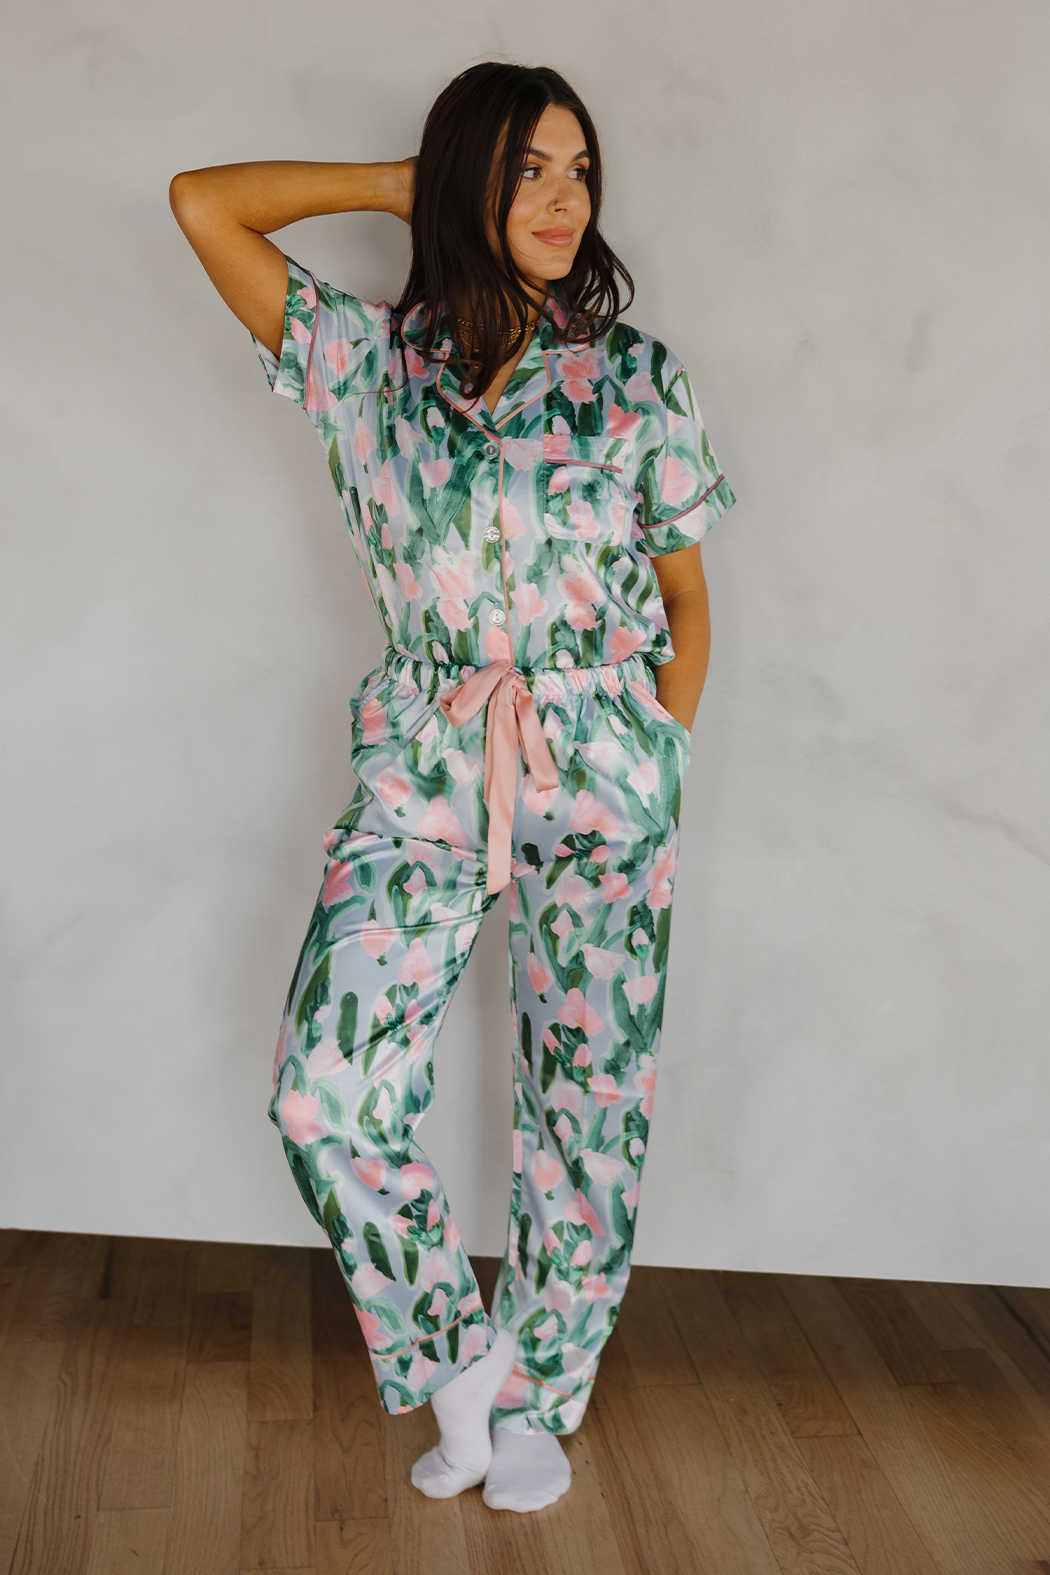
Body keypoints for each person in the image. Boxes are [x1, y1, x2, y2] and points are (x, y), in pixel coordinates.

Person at [170, 60, 735, 1514]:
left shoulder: (638, 378)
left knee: (585, 1106)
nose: (563, 198)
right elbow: (203, 205)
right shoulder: (369, 364)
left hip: (602, 765)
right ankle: (463, 1358)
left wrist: (659, 754)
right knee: (324, 1093)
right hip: (425, 761)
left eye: (578, 170)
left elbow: (688, 599)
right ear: (465, 177)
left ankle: (540, 1399)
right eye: (526, 167)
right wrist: (397, 190)